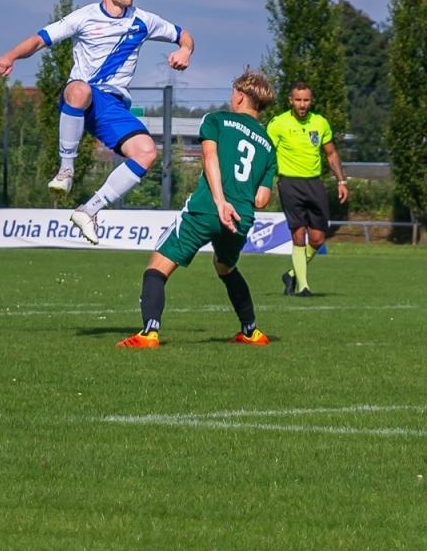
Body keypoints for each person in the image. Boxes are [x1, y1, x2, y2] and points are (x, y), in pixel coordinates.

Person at [0, 0, 193, 244]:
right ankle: (66, 170)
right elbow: (40, 40)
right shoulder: (84, 17)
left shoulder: (144, 20)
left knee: (146, 152)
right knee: (80, 89)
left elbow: (183, 35)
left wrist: (185, 50)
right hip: (81, 97)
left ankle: (89, 210)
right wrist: (10, 56)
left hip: (112, 106)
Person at [116, 71, 278, 348]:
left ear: (240, 96)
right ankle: (251, 331)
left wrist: (220, 201)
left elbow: (210, 158)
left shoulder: (216, 120)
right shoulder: (268, 145)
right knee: (225, 267)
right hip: (241, 217)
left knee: (157, 267)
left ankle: (149, 333)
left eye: (233, 93)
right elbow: (262, 199)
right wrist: (238, 197)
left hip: (208, 208)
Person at [265, 84, 349, 297]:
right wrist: (262, 182)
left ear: (311, 101)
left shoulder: (320, 123)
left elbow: (331, 154)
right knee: (298, 234)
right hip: (289, 183)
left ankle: (291, 274)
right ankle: (303, 286)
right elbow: (266, 154)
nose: (302, 104)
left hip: (314, 184)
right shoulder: (278, 124)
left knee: (318, 239)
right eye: (298, 100)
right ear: (290, 101)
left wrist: (341, 181)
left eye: (306, 100)